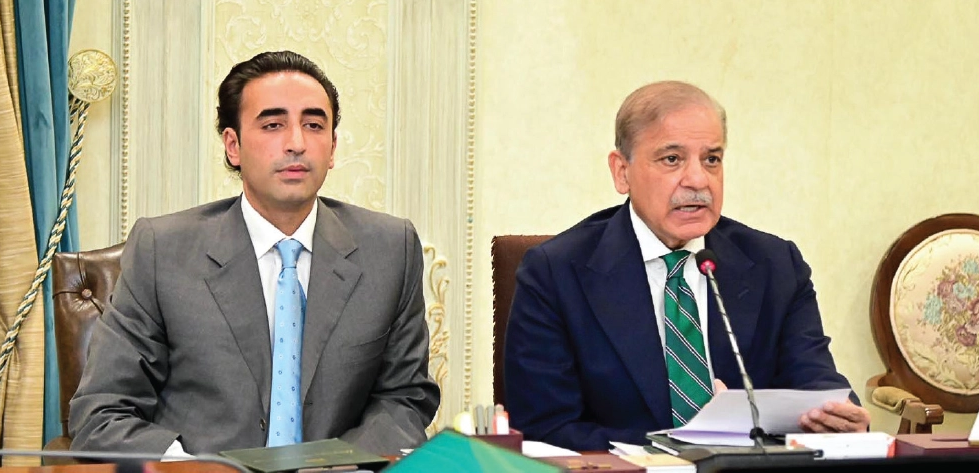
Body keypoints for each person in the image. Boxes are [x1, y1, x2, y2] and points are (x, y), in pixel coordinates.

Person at [69, 51, 440, 457]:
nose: (296, 143)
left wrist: (337, 465)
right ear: (234, 146)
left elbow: (405, 399)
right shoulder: (163, 251)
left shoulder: (390, 249)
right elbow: (102, 412)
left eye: (314, 125)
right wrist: (194, 468)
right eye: (273, 125)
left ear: (332, 147)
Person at [503, 81, 869, 451]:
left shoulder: (775, 266)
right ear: (622, 172)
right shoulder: (555, 273)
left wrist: (838, 417)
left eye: (711, 159)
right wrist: (687, 444)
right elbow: (544, 428)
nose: (697, 180)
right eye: (672, 159)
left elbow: (814, 381)